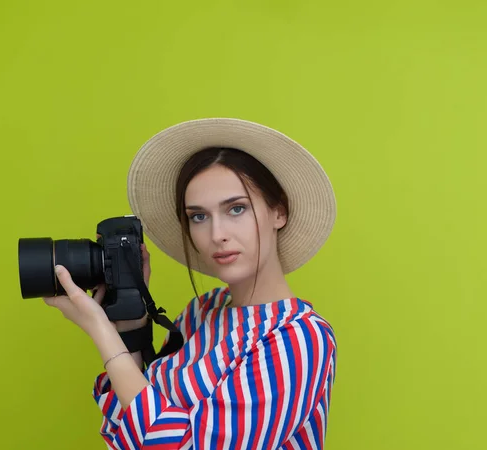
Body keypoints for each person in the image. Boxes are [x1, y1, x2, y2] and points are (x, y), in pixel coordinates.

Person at [43, 118, 338, 449]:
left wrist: (101, 331)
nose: (217, 235)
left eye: (236, 209)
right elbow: (130, 434)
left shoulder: (298, 338)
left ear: (278, 212)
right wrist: (129, 328)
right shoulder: (202, 312)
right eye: (199, 216)